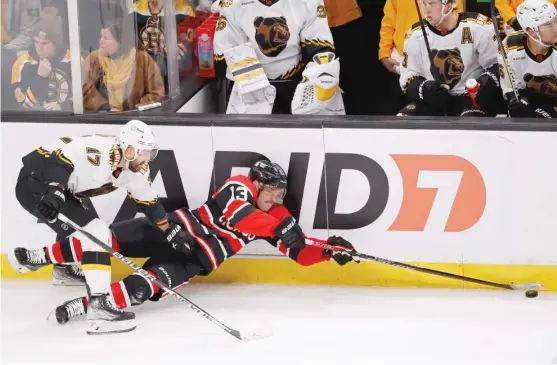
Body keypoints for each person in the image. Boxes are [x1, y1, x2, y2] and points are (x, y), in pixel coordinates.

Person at [13, 160, 359, 325]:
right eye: (272, 190)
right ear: (257, 183)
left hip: (192, 261)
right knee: (107, 237)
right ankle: (39, 257)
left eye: (280, 193)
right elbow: (242, 218)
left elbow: (298, 253)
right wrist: (282, 227)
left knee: (143, 287)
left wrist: (328, 251)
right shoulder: (238, 186)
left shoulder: (277, 216)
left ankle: (82, 305)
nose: (276, 197)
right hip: (173, 231)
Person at [7, 120, 191, 335]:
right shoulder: (98, 152)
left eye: (150, 154)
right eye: (143, 153)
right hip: (36, 182)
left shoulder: (136, 169)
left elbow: (147, 202)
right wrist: (55, 189)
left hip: (59, 188)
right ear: (128, 149)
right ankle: (99, 310)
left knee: (89, 230)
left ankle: (62, 271)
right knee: (96, 234)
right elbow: (58, 161)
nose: (146, 159)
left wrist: (169, 229)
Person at [212, 0, 344, 115]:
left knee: (312, 139)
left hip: (299, 84)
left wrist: (321, 78)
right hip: (249, 89)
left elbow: (320, 49)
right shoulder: (233, 4)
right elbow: (227, 54)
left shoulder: (307, 2)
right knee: (248, 141)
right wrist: (255, 87)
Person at [398, 0, 503, 116]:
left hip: (470, 99)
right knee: (403, 119)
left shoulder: (479, 27)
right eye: (424, 3)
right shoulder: (415, 34)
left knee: (470, 123)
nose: (426, 9)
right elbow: (408, 79)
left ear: (448, 6)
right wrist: (426, 88)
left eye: (432, 3)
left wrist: (485, 82)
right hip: (434, 101)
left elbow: (499, 66)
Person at [82, 14, 165, 112]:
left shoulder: (142, 59)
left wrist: (132, 110)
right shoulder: (93, 59)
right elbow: (84, 90)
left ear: (121, 41)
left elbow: (157, 94)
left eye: (106, 38)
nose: (101, 42)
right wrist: (105, 108)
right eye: (101, 37)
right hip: (102, 121)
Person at [499, 0, 557, 118]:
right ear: (531, 31)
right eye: (547, 24)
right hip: (531, 100)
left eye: (556, 21)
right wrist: (516, 103)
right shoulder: (509, 48)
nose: (556, 28)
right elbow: (511, 91)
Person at [10, 7, 72, 111]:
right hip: (33, 123)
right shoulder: (22, 63)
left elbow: (87, 97)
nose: (39, 48)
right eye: (36, 42)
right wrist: (40, 78)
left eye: (44, 43)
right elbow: (22, 104)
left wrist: (62, 107)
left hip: (69, 123)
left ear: (56, 43)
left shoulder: (73, 60)